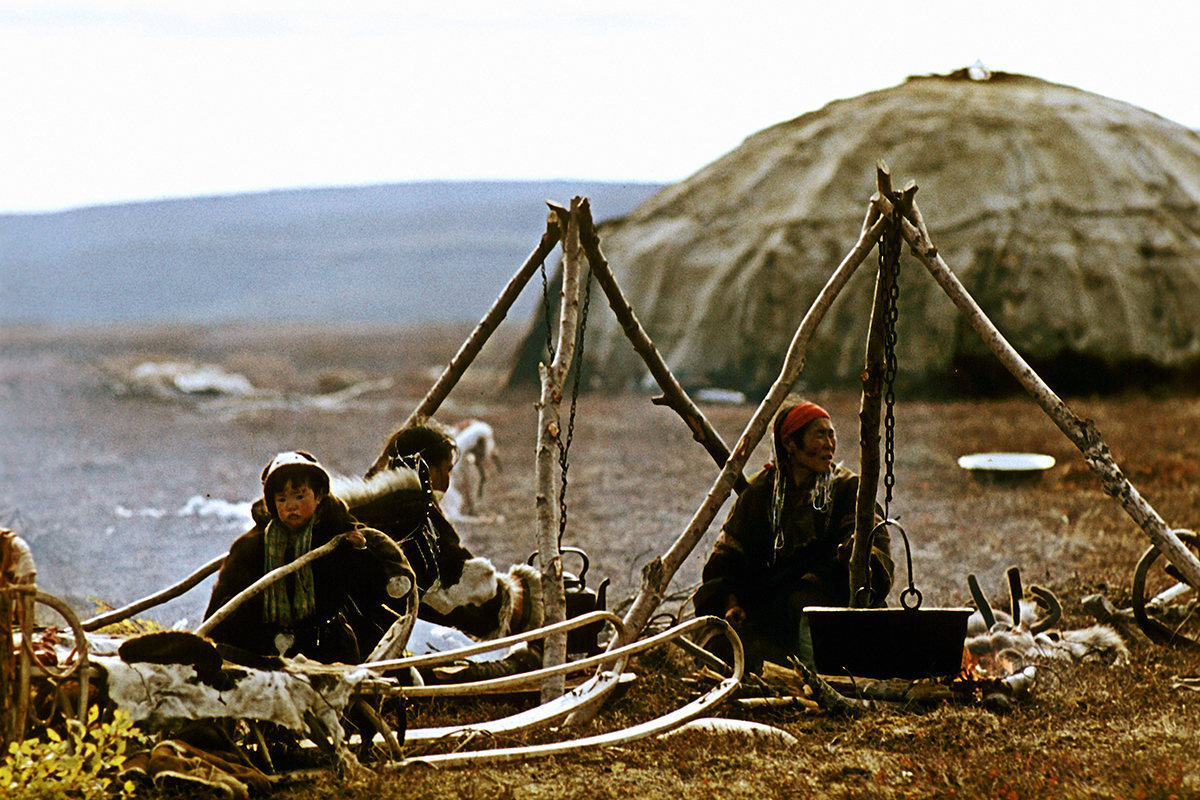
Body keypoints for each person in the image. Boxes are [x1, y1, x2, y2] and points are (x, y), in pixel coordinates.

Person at [695, 399, 895, 674]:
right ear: (789, 443)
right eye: (819, 434)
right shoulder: (760, 493)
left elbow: (876, 549)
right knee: (721, 648)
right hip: (771, 612)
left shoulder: (849, 489)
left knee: (805, 608)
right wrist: (732, 603)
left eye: (831, 434)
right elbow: (727, 559)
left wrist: (853, 559)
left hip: (831, 607)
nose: (829, 443)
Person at [203, 451, 415, 664]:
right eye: (282, 499)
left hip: (326, 647)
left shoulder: (338, 537)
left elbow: (370, 589)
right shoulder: (252, 547)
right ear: (271, 502)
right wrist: (206, 646)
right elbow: (224, 603)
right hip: (266, 648)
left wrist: (359, 551)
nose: (291, 506)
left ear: (319, 495)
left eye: (299, 496)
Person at [346, 417, 543, 641]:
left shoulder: (371, 507)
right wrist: (509, 600)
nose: (448, 480)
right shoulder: (418, 510)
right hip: (403, 624)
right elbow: (456, 576)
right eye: (446, 470)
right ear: (430, 470)